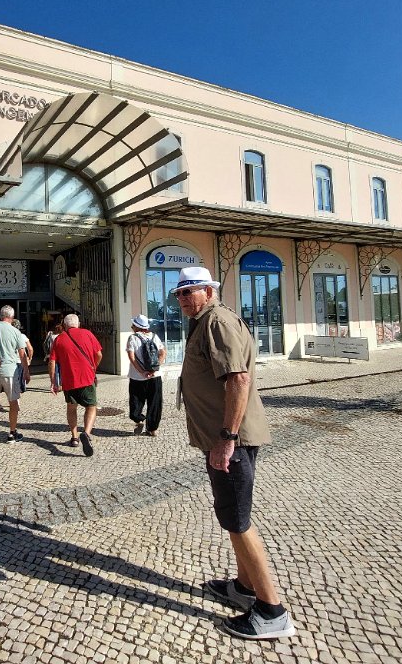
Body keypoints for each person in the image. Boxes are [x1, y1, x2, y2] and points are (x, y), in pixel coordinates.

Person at [173, 266, 295, 640]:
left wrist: (227, 438)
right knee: (232, 515)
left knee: (238, 520)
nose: (182, 299)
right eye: (178, 293)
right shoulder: (206, 320)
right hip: (223, 439)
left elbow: (238, 379)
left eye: (189, 291)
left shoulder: (216, 322)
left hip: (231, 441)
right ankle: (244, 588)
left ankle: (272, 611)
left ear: (209, 291)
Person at [48, 313, 101, 456]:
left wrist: (53, 382)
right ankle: (87, 434)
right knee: (91, 406)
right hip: (87, 378)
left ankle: (74, 437)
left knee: (71, 408)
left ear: (65, 325)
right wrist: (93, 368)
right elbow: (99, 354)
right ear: (78, 324)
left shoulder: (59, 339)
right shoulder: (88, 334)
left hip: (68, 380)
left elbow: (52, 361)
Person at [0, 307, 29, 443]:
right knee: (13, 402)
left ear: (0, 315)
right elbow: (22, 354)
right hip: (10, 371)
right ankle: (12, 433)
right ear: (12, 317)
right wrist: (26, 371)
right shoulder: (15, 331)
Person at [126, 314, 166, 436]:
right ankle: (152, 429)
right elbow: (163, 353)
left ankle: (138, 419)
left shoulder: (132, 338)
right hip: (155, 376)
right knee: (155, 403)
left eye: (133, 325)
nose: (132, 327)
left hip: (137, 377)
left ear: (137, 327)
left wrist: (142, 372)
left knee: (136, 401)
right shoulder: (154, 336)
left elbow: (132, 357)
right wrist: (155, 369)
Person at [11, 319, 34, 393]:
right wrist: (30, 358)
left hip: (12, 360)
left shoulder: (9, 336)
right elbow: (30, 349)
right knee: (21, 378)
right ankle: (20, 390)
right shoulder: (23, 336)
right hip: (21, 360)